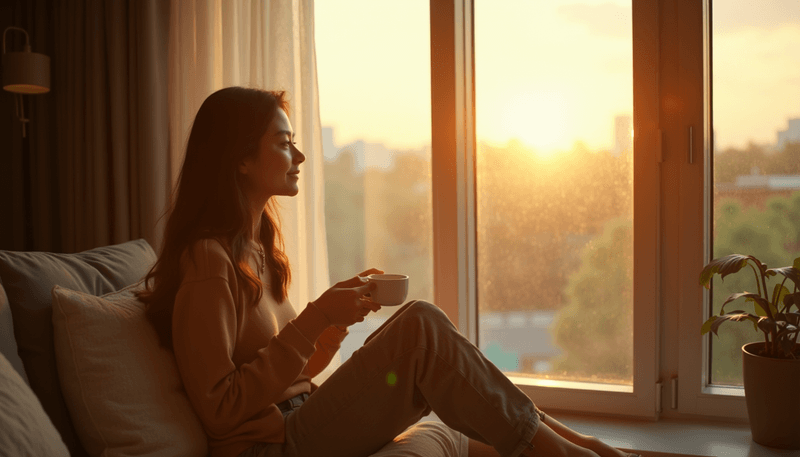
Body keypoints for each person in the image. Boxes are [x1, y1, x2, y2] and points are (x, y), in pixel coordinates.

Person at [138, 86, 640, 457]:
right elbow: (220, 409)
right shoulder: (209, 261)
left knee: (424, 331)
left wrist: (333, 326)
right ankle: (571, 452)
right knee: (421, 327)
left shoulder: (258, 250)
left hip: (299, 419)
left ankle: (576, 444)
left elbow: (292, 375)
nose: (300, 155)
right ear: (241, 159)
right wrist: (315, 317)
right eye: (284, 142)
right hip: (272, 447)